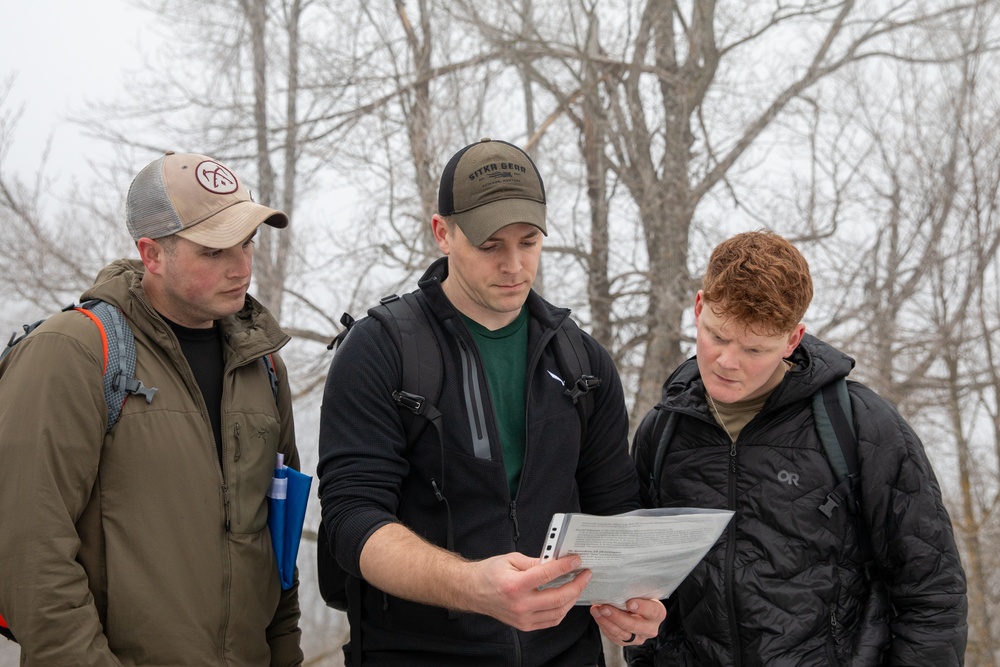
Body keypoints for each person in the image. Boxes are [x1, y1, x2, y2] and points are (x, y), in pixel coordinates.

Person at [317, 138, 665, 665]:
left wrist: (636, 601)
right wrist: (470, 584)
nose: (514, 265)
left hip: (565, 653)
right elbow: (351, 518)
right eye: (489, 245)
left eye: (528, 242)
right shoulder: (382, 350)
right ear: (443, 233)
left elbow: (614, 512)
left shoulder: (583, 361)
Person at [0, 152, 304, 665]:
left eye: (247, 242)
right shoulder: (75, 351)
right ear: (152, 253)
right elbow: (31, 555)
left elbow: (276, 552)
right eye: (214, 251)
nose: (242, 266)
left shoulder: (264, 368)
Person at [629, 230, 968, 666]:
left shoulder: (861, 426)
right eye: (717, 335)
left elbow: (930, 590)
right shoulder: (663, 432)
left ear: (792, 340)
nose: (728, 362)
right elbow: (641, 591)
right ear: (698, 308)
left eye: (755, 348)